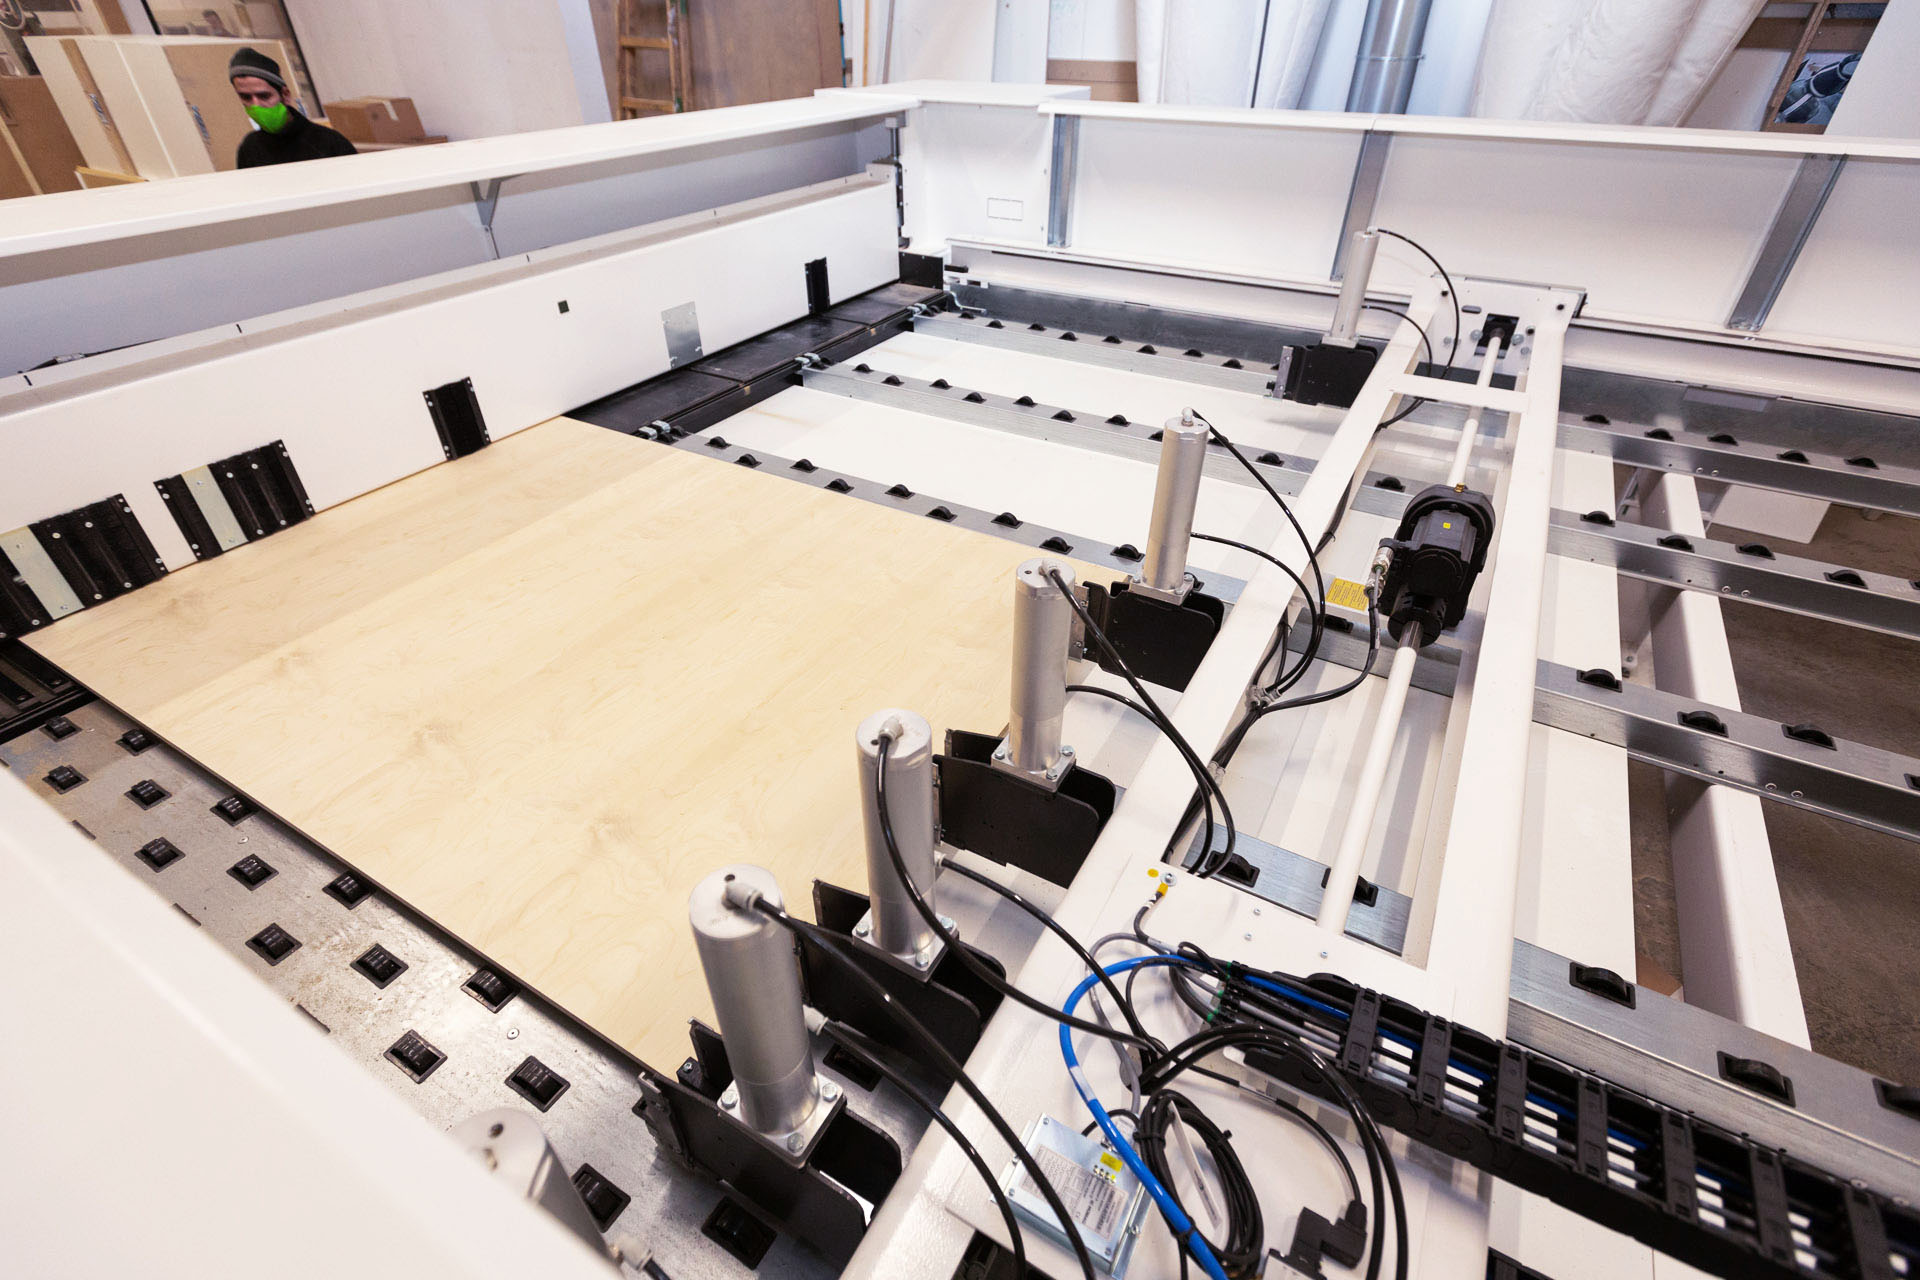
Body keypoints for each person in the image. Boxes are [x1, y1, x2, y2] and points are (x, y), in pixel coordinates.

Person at [228, 47, 356, 169]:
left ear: (285, 95)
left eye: (264, 96)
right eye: (246, 97)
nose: (256, 105)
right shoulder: (250, 148)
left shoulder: (329, 143)